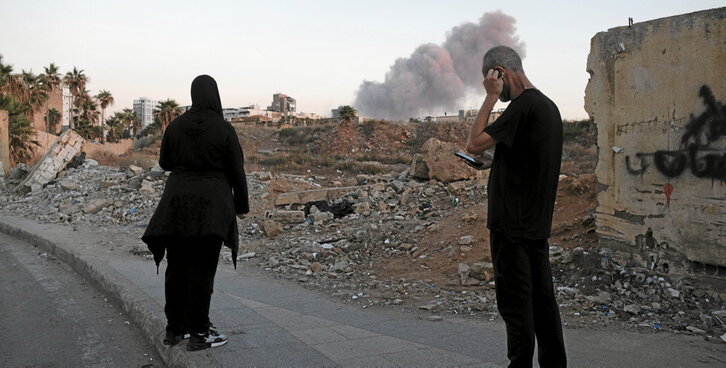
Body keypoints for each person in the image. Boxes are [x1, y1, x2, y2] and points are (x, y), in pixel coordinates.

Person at [466, 46, 567, 368]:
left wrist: (490, 98)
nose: (492, 86)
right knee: (542, 303)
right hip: (535, 222)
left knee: (515, 304)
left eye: (491, 80)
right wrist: (494, 162)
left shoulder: (522, 105)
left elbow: (474, 142)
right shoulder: (547, 107)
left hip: (511, 223)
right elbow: (528, 158)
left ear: (499, 73)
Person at [142, 74, 249, 351]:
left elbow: (165, 163)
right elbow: (237, 171)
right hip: (211, 208)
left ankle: (175, 330)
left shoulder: (176, 125)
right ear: (214, 95)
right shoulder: (224, 129)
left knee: (176, 268)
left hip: (176, 205)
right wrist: (241, 206)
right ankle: (200, 333)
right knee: (202, 271)